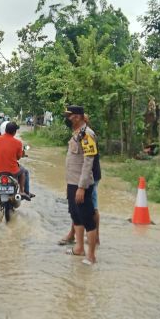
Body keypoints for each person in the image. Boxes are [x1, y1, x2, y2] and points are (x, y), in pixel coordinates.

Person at [63, 105, 98, 265]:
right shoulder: (77, 134)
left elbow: (88, 162)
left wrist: (82, 187)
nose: (67, 119)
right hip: (72, 182)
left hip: (80, 185)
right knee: (75, 215)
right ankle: (79, 248)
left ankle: (91, 255)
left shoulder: (87, 135)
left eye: (69, 116)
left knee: (87, 218)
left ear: (76, 117)